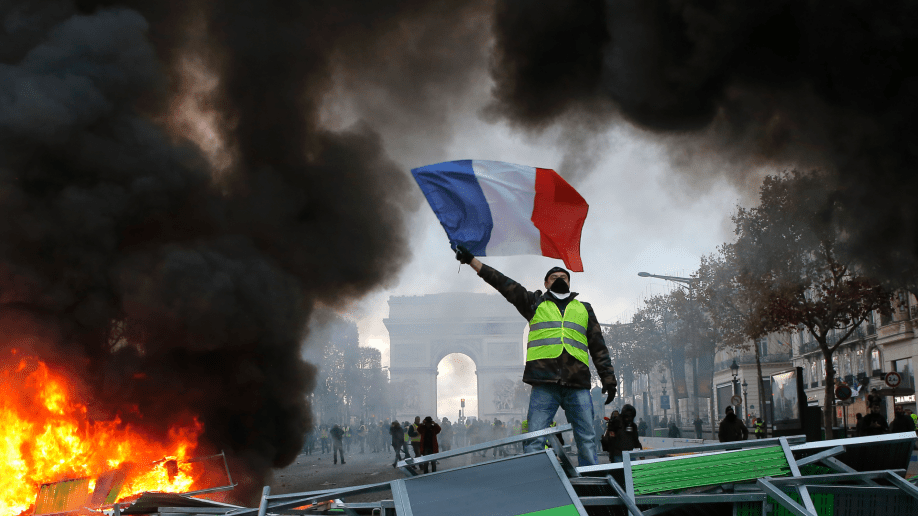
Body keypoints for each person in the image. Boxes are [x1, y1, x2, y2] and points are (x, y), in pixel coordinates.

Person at [455, 247, 617, 467]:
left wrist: (608, 378)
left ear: (570, 283)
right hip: (544, 382)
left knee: (587, 439)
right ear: (546, 284)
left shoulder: (584, 309)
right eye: (554, 277)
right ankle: (537, 479)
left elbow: (598, 347)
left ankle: (593, 484)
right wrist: (473, 261)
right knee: (534, 439)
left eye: (564, 277)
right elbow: (503, 283)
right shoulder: (533, 303)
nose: (559, 279)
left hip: (577, 382)